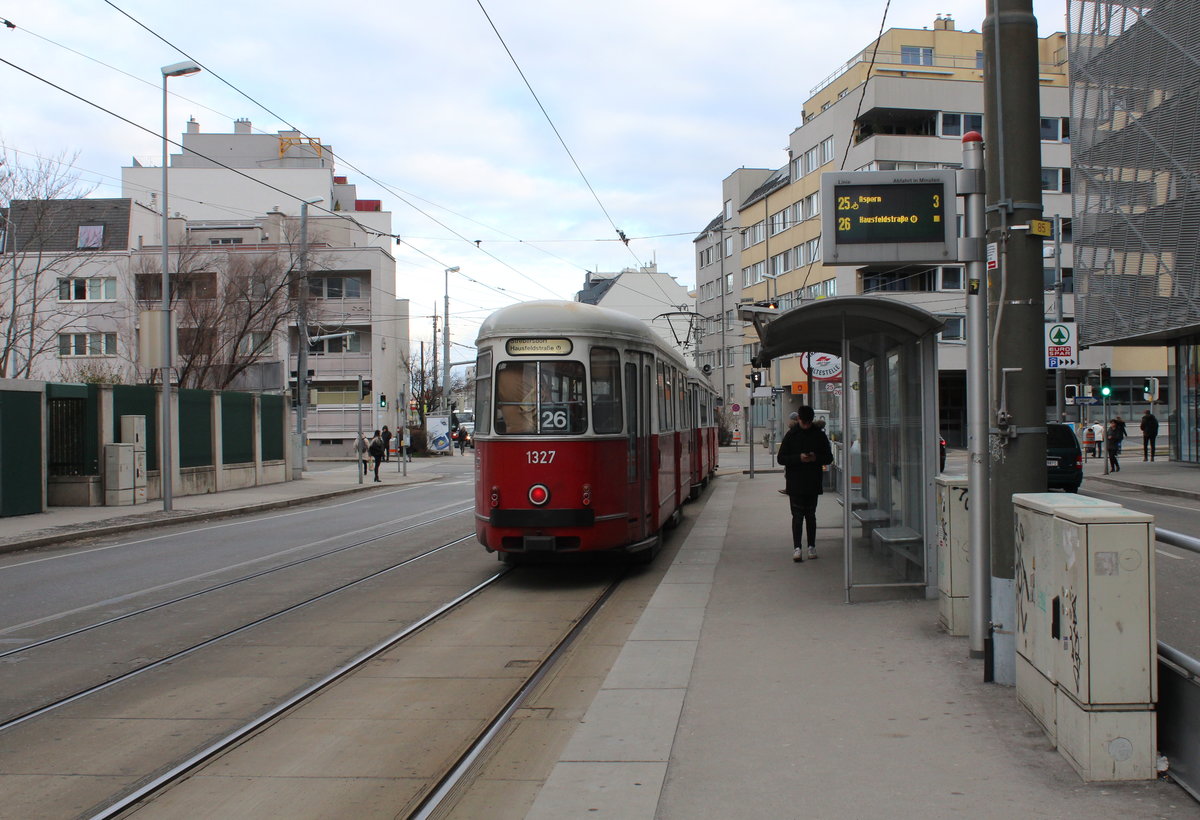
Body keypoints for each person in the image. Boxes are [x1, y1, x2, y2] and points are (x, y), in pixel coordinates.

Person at [777, 405, 834, 562]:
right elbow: (781, 458)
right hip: (795, 482)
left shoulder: (818, 435)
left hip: (812, 481)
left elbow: (829, 457)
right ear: (799, 420)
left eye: (809, 422)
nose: (807, 425)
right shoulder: (791, 435)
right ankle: (797, 547)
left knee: (810, 515)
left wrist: (815, 458)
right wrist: (798, 458)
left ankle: (811, 546)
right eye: (805, 422)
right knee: (797, 516)